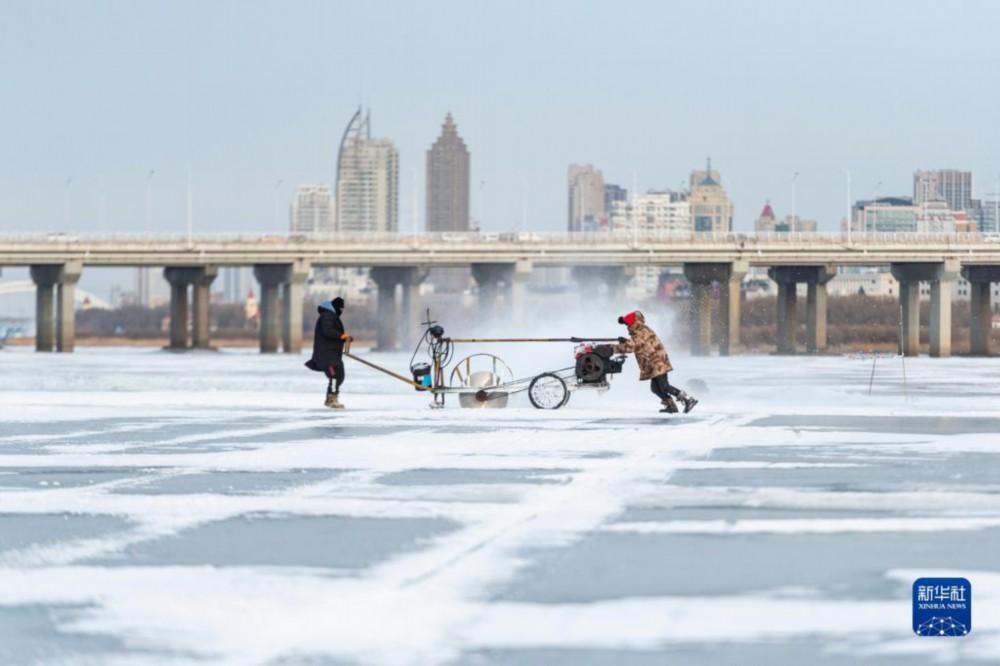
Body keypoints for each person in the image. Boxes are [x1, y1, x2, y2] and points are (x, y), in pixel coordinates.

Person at [614, 310, 698, 414]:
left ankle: (688, 399)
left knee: (664, 386)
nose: (627, 325)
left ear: (634, 322)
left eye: (628, 323)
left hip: (656, 362)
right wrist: (626, 340)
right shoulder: (640, 330)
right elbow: (638, 344)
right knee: (655, 389)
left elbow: (632, 346)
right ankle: (671, 406)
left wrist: (612, 348)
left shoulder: (640, 330)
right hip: (654, 362)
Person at [305, 297, 352, 409]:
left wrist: (345, 338)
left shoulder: (330, 315)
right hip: (326, 354)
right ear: (334, 307)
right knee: (335, 375)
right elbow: (328, 331)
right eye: (340, 308)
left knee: (338, 375)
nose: (341, 311)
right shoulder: (327, 316)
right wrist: (341, 336)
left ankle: (331, 397)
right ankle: (331, 399)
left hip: (332, 354)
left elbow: (332, 333)